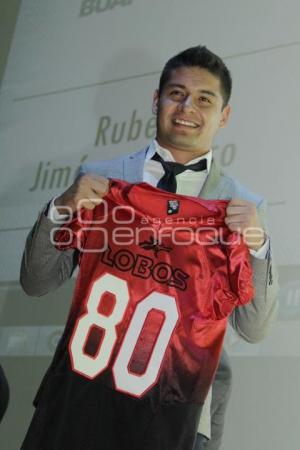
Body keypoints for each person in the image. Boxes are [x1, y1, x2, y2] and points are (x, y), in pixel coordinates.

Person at [20, 45, 278, 449]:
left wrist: (258, 246)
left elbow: (254, 328)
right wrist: (59, 209)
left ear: (223, 116)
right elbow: (35, 282)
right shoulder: (99, 180)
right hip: (79, 399)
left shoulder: (241, 208)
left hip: (176, 415)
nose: (187, 107)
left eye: (204, 99)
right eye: (176, 93)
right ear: (157, 100)